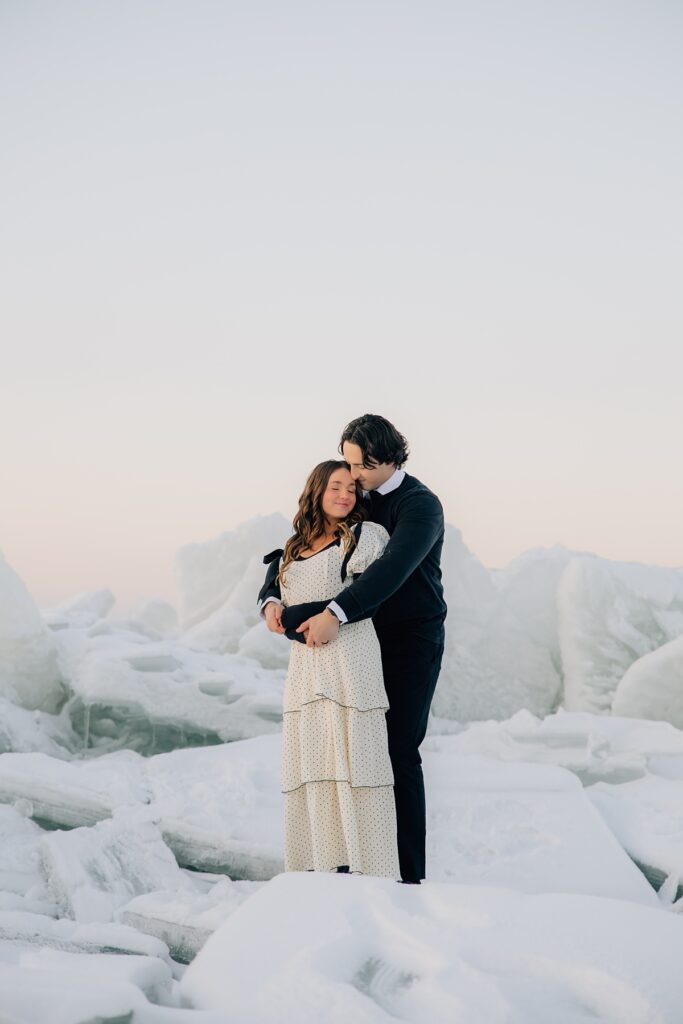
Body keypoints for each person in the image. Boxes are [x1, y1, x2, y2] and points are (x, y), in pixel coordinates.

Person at [261, 414, 447, 884]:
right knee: (348, 748)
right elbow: (302, 544)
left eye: (362, 467)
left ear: (390, 459)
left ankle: (407, 877)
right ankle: (353, 861)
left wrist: (334, 613)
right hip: (359, 639)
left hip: (409, 639)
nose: (354, 478)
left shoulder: (421, 506)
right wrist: (271, 596)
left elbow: (392, 569)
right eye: (348, 464)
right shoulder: (356, 494)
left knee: (398, 750)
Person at [260, 459, 401, 878]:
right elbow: (275, 583)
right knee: (315, 759)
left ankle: (367, 866)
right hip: (306, 667)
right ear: (316, 491)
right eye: (335, 487)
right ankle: (321, 863)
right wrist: (270, 603)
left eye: (351, 488)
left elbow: (369, 595)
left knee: (355, 754)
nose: (344, 495)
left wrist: (294, 618)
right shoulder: (293, 547)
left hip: (349, 655)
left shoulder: (362, 536)